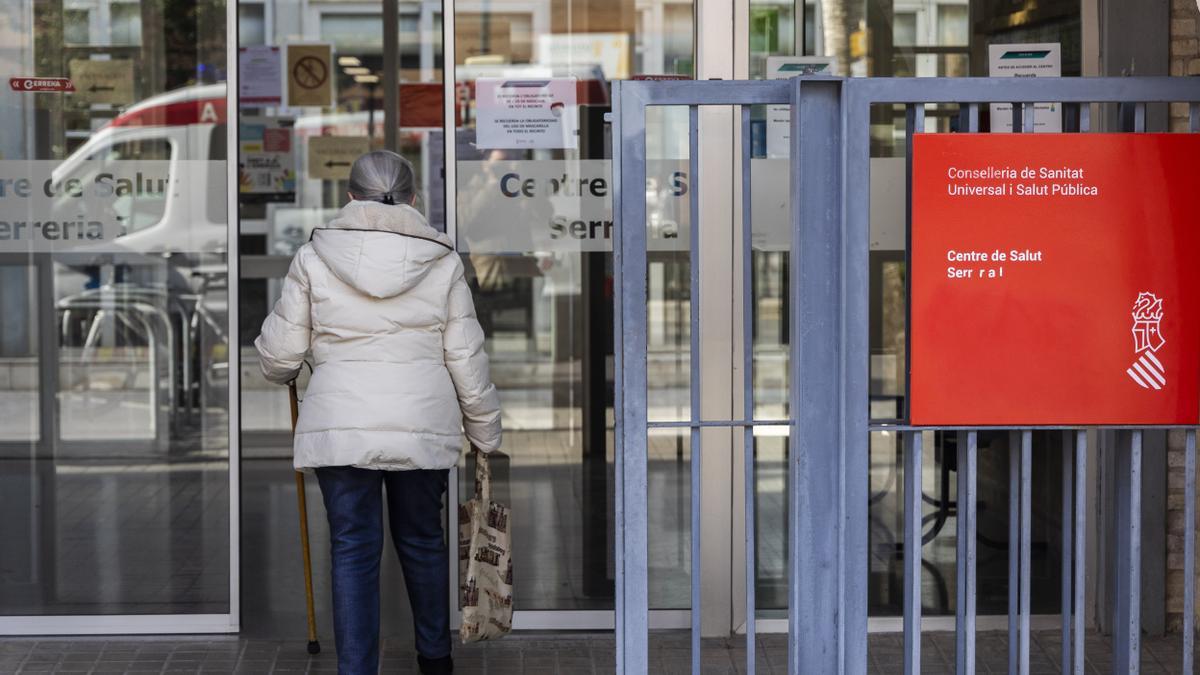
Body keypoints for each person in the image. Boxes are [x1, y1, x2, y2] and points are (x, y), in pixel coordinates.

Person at [255, 150, 502, 675]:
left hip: (341, 431)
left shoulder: (314, 257)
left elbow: (278, 360)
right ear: (413, 199)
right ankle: (435, 659)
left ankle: (357, 669)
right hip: (423, 429)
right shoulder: (444, 260)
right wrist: (485, 431)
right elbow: (464, 356)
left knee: (352, 549)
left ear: (350, 197)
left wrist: (287, 365)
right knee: (422, 541)